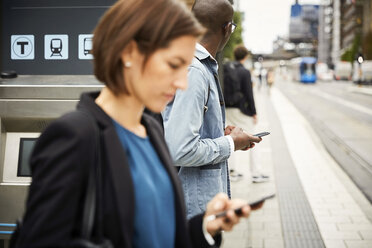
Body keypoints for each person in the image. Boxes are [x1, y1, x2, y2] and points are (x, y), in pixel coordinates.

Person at [12, 0, 253, 247]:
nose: (182, 82)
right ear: (129, 53)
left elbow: (158, 232)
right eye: (173, 64)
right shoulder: (74, 136)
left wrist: (203, 227)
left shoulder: (152, 134)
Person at [162, 0, 262, 219]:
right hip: (194, 212)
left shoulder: (193, 64)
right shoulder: (195, 71)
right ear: (227, 29)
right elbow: (180, 149)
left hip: (193, 205)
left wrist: (220, 133)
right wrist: (230, 143)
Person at [224, 45, 269, 183]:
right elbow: (249, 94)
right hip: (241, 110)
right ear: (245, 56)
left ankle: (232, 172)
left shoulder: (226, 68)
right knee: (253, 137)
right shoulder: (244, 71)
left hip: (228, 108)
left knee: (230, 138)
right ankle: (256, 173)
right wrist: (254, 112)